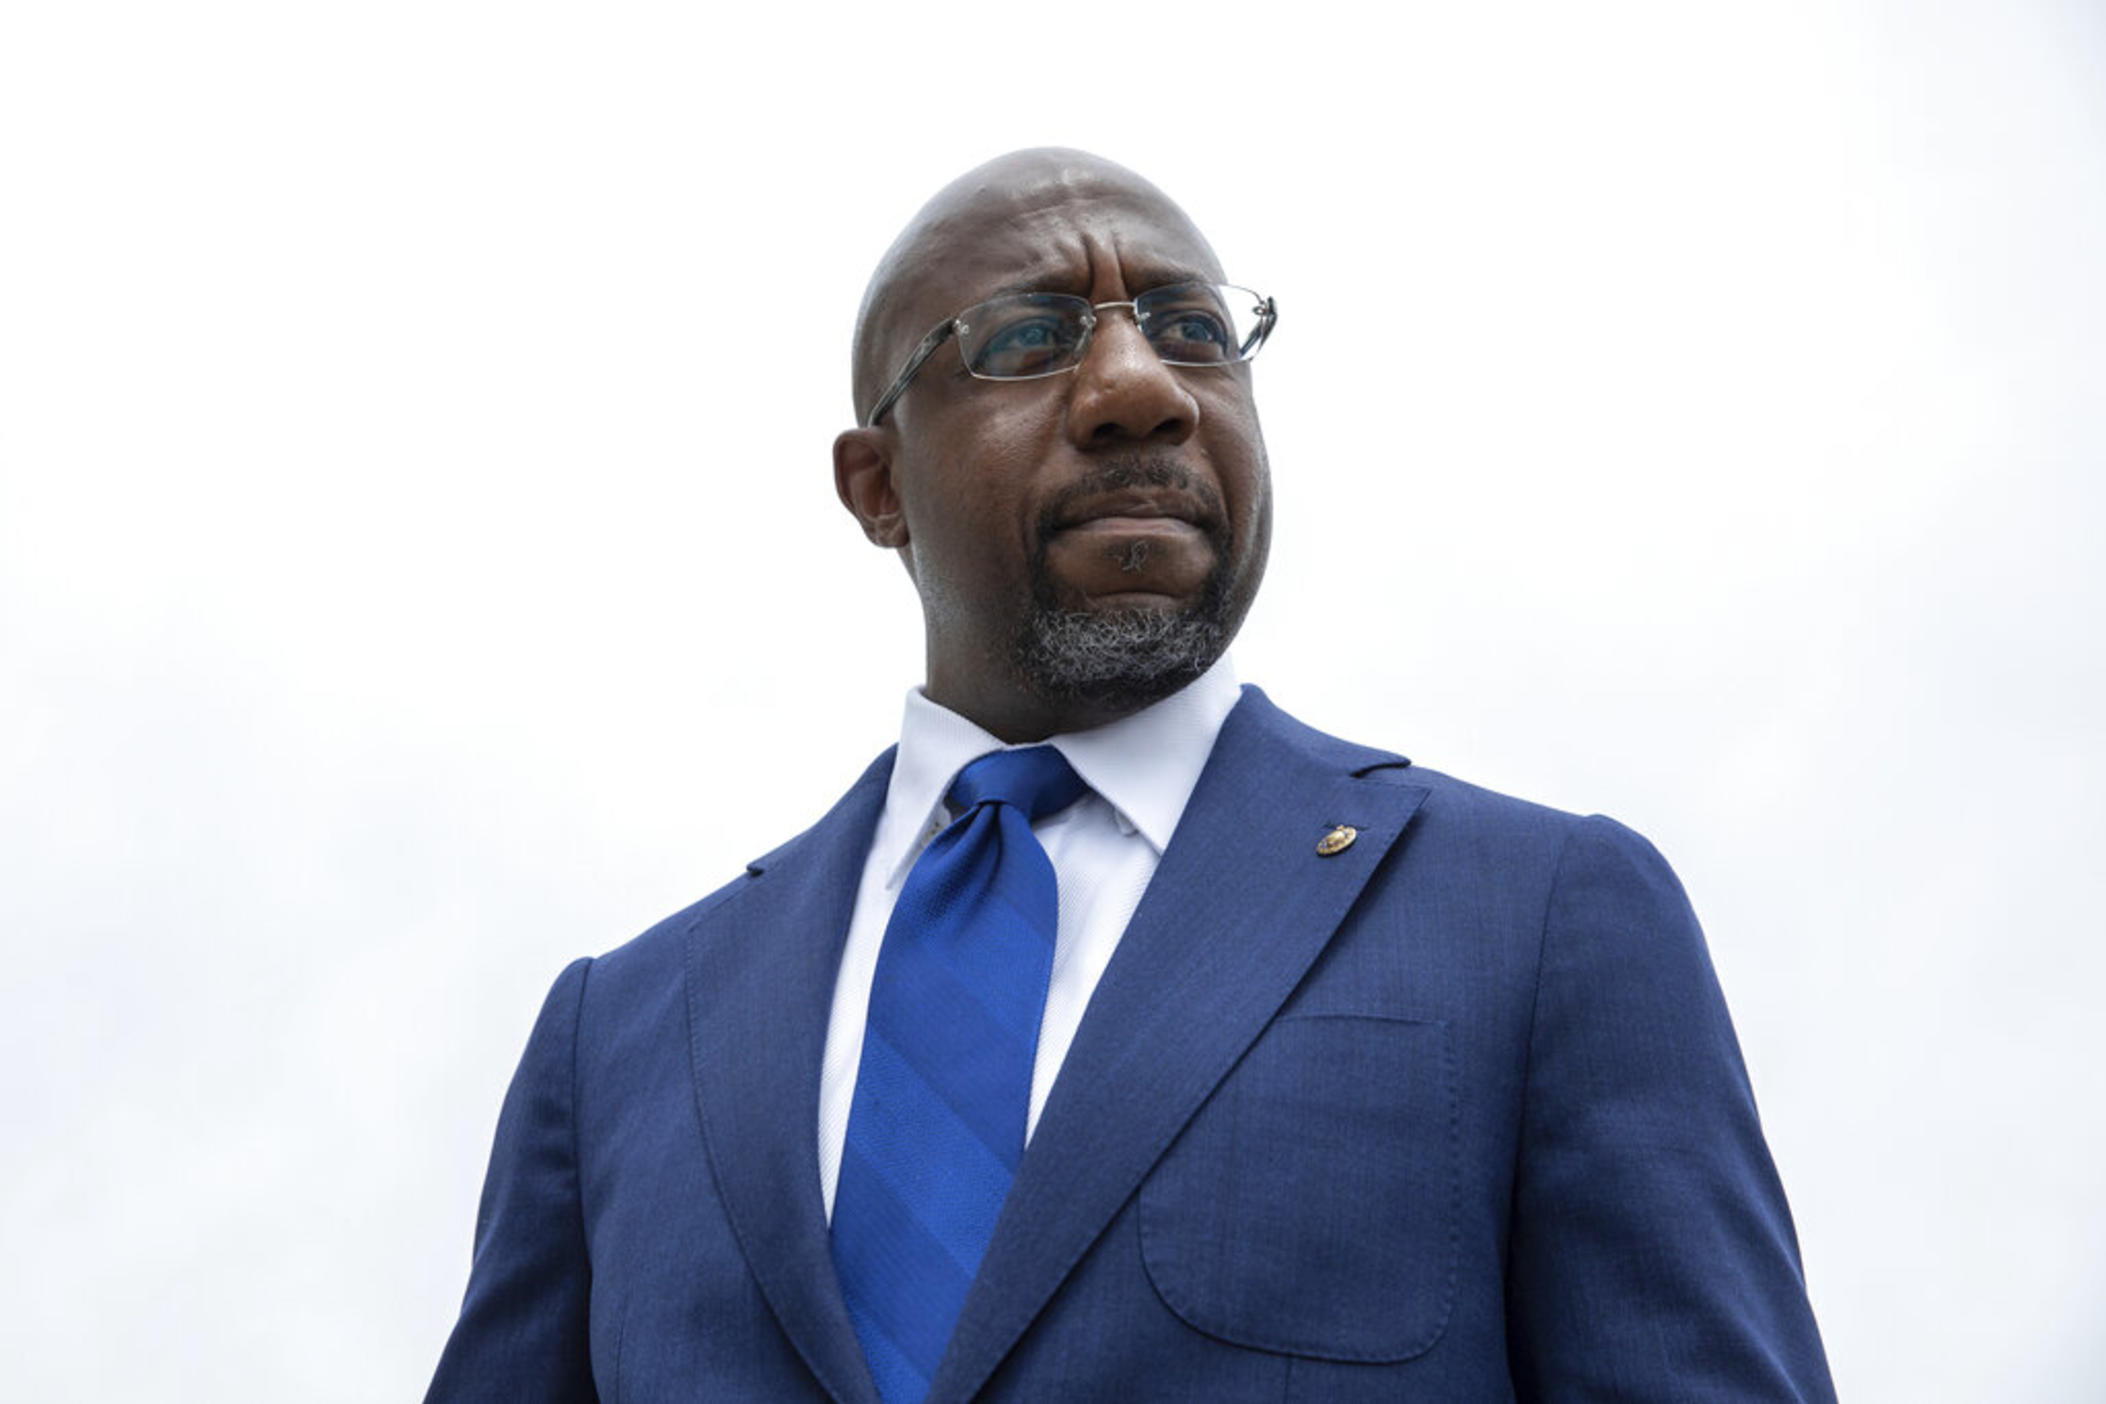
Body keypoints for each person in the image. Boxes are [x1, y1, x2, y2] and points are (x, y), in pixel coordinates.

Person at [425, 148, 1836, 1402]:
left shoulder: (1537, 918)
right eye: (1030, 339)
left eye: (1191, 331)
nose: (1138, 390)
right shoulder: (620, 1037)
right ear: (876, 486)